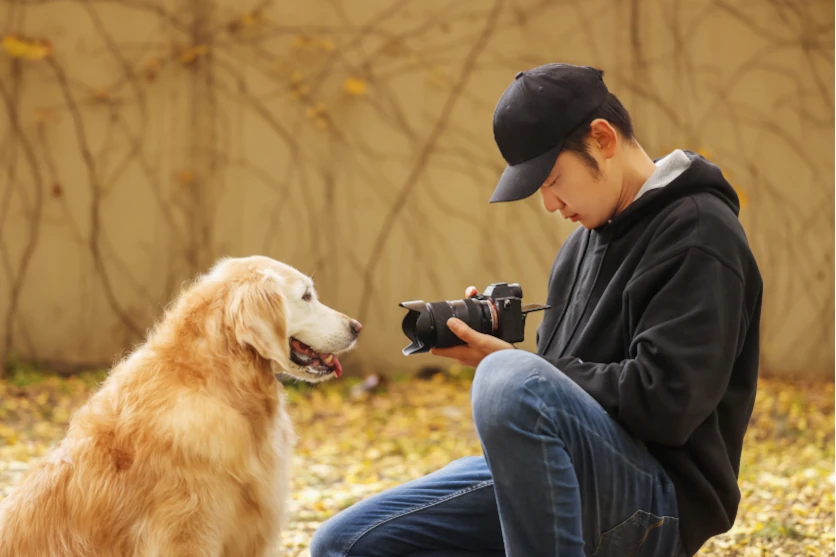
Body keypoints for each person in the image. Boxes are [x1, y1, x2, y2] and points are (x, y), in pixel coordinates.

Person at [310, 63, 762, 557]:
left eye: (551, 179)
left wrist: (514, 368)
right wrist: (507, 357)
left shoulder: (699, 232)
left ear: (602, 138)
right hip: (569, 478)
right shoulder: (579, 248)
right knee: (344, 545)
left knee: (511, 379)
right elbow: (565, 392)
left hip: (655, 501)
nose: (549, 204)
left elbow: (667, 406)